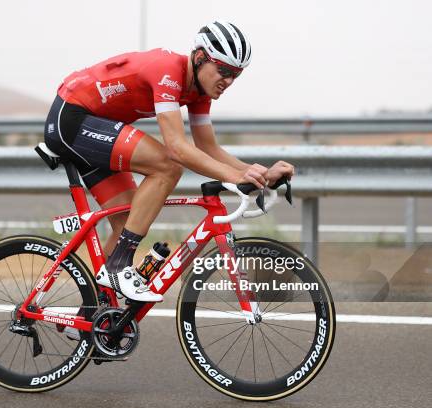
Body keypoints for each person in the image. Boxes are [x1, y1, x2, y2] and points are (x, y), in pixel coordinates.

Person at [44, 21, 294, 303]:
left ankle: (96, 316)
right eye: (223, 71)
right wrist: (235, 177)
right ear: (200, 58)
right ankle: (117, 267)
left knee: (128, 220)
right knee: (167, 165)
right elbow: (176, 149)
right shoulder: (167, 72)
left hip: (99, 127)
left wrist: (253, 172)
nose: (228, 81)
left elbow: (207, 147)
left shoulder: (199, 92)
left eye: (235, 75)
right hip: (72, 118)